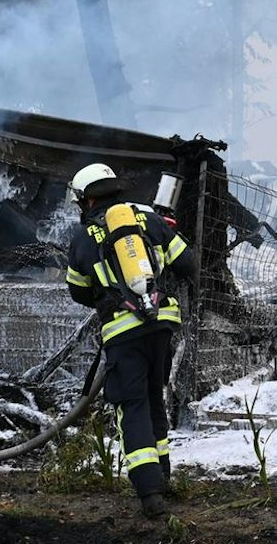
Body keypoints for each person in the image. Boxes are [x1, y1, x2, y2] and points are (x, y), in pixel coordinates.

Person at [64, 163, 198, 518]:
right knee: (154, 398)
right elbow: (188, 264)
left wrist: (105, 290)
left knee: (133, 405)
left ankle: (149, 493)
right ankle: (162, 476)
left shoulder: (83, 237)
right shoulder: (150, 220)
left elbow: (78, 291)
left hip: (123, 332)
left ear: (87, 198)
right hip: (162, 325)